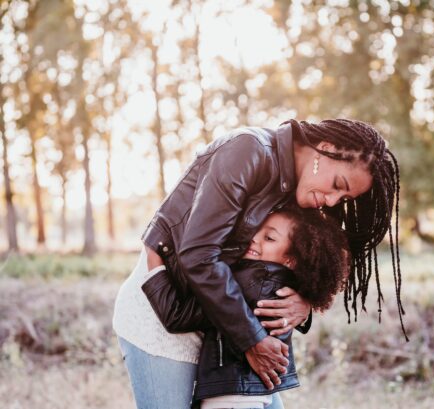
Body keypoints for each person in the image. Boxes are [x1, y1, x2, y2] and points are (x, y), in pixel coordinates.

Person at [112, 119, 406, 409]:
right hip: (164, 317)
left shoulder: (303, 193)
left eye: (343, 197)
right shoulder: (247, 151)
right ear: (325, 148)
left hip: (224, 334)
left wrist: (304, 301)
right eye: (337, 185)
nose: (331, 201)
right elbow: (199, 255)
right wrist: (252, 341)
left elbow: (314, 260)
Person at [143, 205, 350, 409]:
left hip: (232, 398)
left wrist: (154, 261)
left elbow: (176, 316)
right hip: (253, 394)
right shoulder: (286, 286)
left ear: (290, 259)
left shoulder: (250, 281)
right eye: (257, 230)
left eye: (269, 238)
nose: (254, 238)